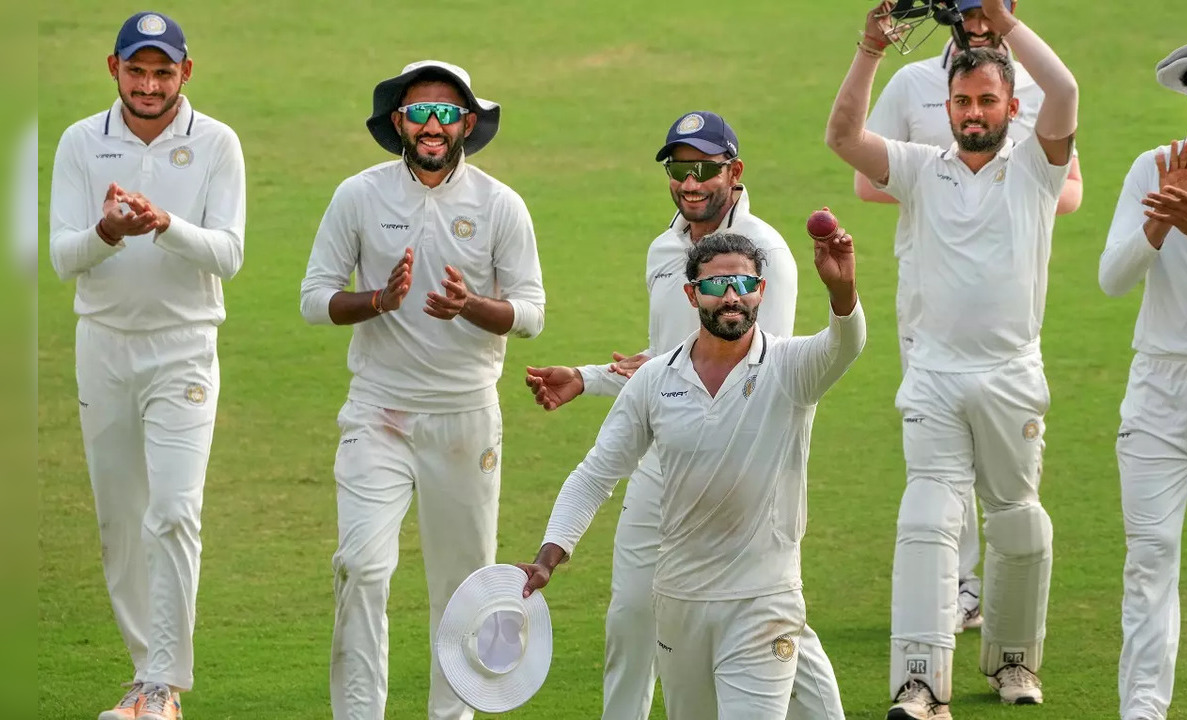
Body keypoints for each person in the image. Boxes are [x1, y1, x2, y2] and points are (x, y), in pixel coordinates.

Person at [524, 111, 845, 720]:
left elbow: (756, 370)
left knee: (772, 618)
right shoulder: (662, 250)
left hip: (746, 474)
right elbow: (666, 367)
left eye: (704, 169)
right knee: (630, 618)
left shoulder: (767, 253)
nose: (690, 182)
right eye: (678, 168)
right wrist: (589, 380)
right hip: (661, 463)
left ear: (735, 172)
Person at [825, 0, 1078, 715]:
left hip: (1008, 376)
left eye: (986, 100)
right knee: (926, 520)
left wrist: (1004, 23)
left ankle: (1013, 665)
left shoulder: (1036, 168)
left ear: (1008, 105)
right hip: (933, 376)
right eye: (962, 101)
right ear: (948, 105)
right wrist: (869, 49)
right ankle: (919, 683)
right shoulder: (916, 168)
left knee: (1016, 522)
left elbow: (1064, 93)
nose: (973, 112)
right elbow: (841, 135)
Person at [299, 60, 546, 720]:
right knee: (361, 567)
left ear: (467, 122)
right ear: (397, 122)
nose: (432, 125)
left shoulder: (499, 204)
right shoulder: (358, 195)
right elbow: (313, 298)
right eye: (418, 112)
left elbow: (530, 313)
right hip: (377, 411)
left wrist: (471, 306)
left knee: (463, 587)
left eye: (446, 113)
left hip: (464, 417)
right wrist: (379, 299)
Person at [48, 11, 246, 720]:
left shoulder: (217, 143)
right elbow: (63, 255)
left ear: (184, 73)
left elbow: (228, 253)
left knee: (173, 511)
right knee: (120, 520)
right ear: (115, 69)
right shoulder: (80, 142)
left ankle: (164, 686)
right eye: (138, 70)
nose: (150, 84)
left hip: (184, 346)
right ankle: (143, 677)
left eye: (164, 71)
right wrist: (106, 231)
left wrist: (163, 224)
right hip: (102, 345)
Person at [1098, 16, 1187, 720]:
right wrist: (1160, 220)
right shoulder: (1150, 167)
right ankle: (1141, 710)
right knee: (1148, 556)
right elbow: (1111, 280)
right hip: (1157, 382)